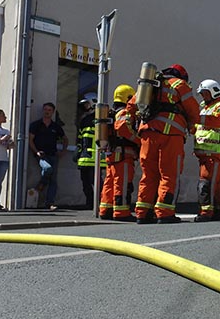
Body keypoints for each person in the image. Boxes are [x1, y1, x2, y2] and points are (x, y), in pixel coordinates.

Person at [132, 64, 200, 224]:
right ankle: (165, 212)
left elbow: (133, 105)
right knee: (169, 174)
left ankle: (142, 212)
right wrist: (191, 125)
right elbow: (194, 111)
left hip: (147, 134)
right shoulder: (180, 85)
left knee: (148, 175)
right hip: (171, 135)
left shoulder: (152, 83)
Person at [193, 79, 220, 222]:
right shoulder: (204, 109)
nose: (203, 96)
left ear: (214, 92)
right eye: (202, 94)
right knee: (215, 184)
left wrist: (196, 118)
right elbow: (198, 128)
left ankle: (206, 213)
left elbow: (216, 121)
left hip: (215, 153)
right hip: (204, 154)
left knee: (206, 183)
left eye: (205, 93)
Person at [99, 84, 140, 221]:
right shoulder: (123, 113)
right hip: (123, 154)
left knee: (109, 182)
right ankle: (121, 212)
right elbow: (123, 129)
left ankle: (105, 210)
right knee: (122, 183)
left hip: (112, 153)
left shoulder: (111, 112)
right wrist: (139, 140)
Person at [28, 102, 68, 210]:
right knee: (47, 169)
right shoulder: (36, 125)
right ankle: (39, 188)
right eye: (45, 109)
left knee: (53, 180)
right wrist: (36, 151)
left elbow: (65, 139)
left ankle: (49, 203)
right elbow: (30, 140)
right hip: (41, 155)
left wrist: (63, 151)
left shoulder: (56, 126)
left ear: (53, 112)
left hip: (53, 154)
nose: (47, 112)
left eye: (49, 110)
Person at [76, 92, 98, 209]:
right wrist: (78, 152)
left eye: (86, 105)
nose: (85, 108)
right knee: (85, 184)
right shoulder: (84, 120)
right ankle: (90, 203)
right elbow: (80, 139)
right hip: (84, 158)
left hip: (96, 158)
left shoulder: (100, 119)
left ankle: (100, 204)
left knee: (97, 183)